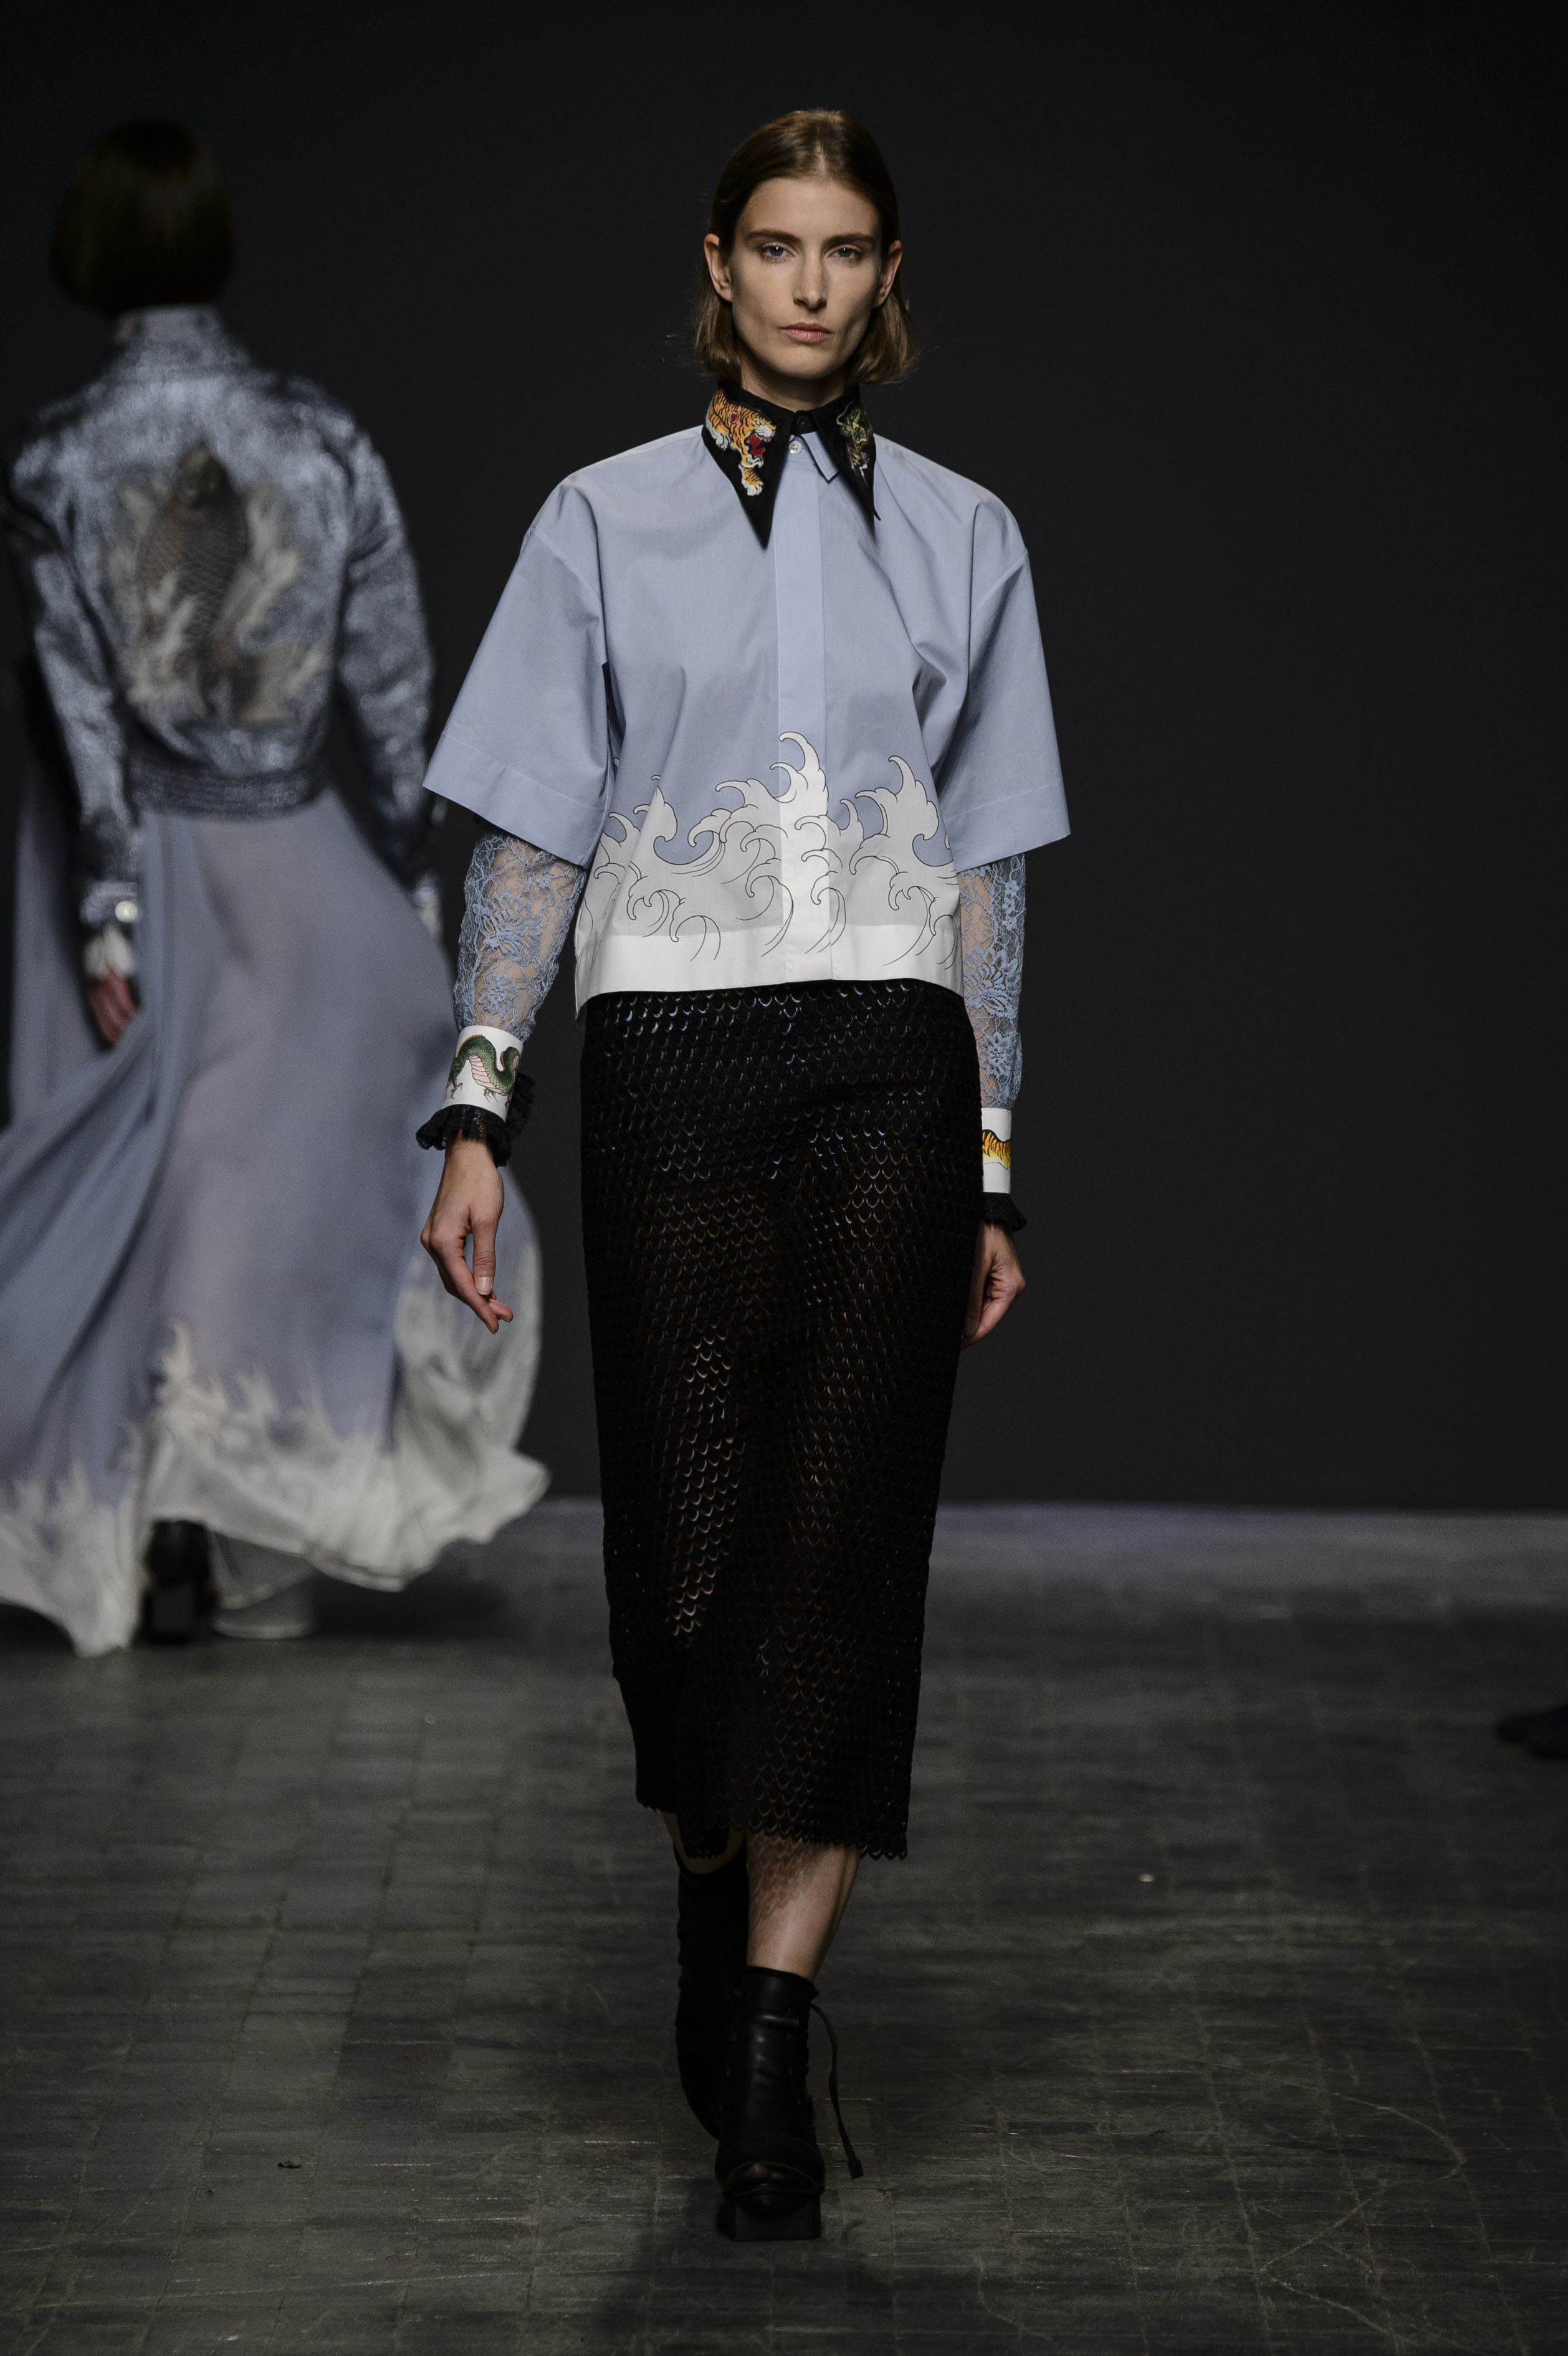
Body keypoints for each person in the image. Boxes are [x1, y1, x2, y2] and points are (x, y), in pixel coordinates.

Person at [418, 109, 1068, 2238]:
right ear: (718, 262)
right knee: (686, 1582)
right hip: (671, 1064)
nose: (808, 284)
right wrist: (477, 1104)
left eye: (845, 248)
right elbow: (532, 831)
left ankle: (774, 2040)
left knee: (840, 1550)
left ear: (886, 276)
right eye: (774, 245)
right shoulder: (597, 520)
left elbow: (986, 876)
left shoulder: (963, 534)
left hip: (889, 1065)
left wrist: (990, 1157)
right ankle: (716, 1871)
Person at [0, 122, 545, 1655]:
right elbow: (397, 686)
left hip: (153, 864)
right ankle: (250, 1550)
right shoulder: (323, 440)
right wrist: (411, 878)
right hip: (307, 865)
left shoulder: (52, 461)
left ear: (90, 246)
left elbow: (79, 712)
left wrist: (106, 908)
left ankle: (147, 1527)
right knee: (270, 1185)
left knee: (155, 1186)